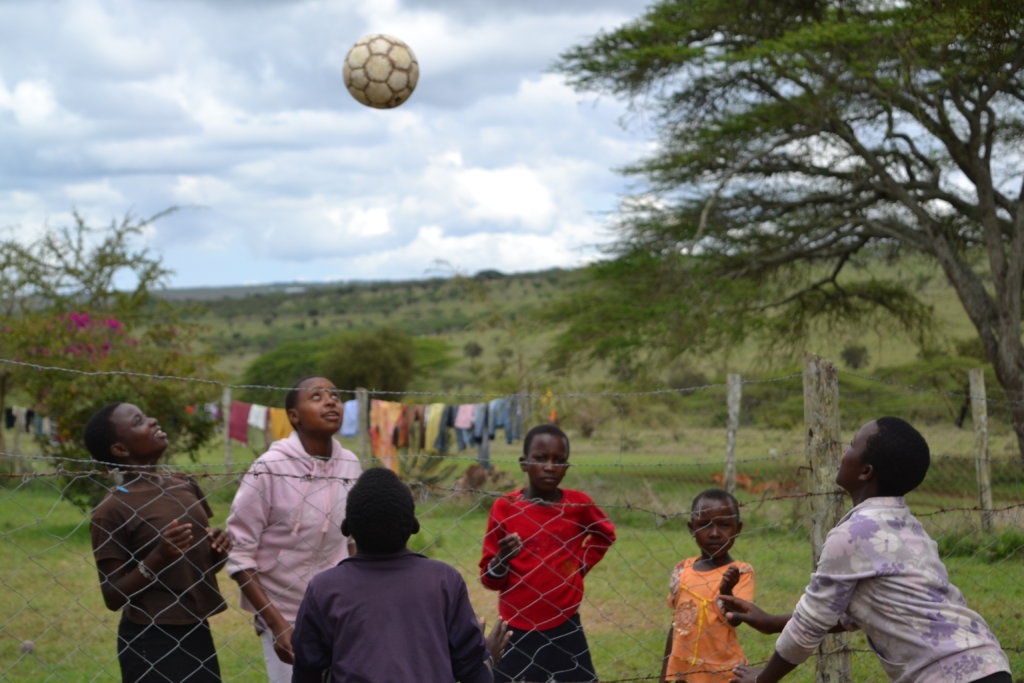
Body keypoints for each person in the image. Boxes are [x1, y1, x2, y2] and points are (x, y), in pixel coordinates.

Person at [723, 417, 1012, 683]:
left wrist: (763, 679)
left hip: (947, 674)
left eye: (851, 445)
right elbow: (859, 612)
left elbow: (809, 624)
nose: (844, 452)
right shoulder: (909, 527)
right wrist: (773, 623)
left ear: (865, 471)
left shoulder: (852, 535)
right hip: (987, 664)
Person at [291, 467, 504, 682]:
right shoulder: (444, 581)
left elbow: (307, 669)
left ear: (347, 528)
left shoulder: (324, 588)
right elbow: (470, 668)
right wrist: (487, 661)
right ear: (414, 526)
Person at [226, 376, 362, 683]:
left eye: (335, 395)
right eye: (316, 396)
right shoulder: (268, 469)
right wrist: (277, 624)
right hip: (285, 612)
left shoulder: (350, 464)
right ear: (293, 416)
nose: (330, 401)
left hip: (340, 610)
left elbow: (353, 540)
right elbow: (239, 554)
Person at [85, 402, 232, 682]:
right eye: (139, 421)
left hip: (196, 626)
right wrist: (158, 557)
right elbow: (113, 596)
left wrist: (219, 550)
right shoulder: (112, 509)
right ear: (120, 450)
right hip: (149, 637)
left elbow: (199, 567)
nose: (152, 420)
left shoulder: (184, 484)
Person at [479, 424, 617, 682]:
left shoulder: (579, 505)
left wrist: (578, 567)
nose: (550, 467)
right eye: (541, 459)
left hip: (565, 624)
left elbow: (605, 534)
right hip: (516, 627)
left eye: (559, 460)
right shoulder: (505, 508)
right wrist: (502, 559)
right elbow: (489, 579)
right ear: (524, 463)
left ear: (566, 466)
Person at [662, 489, 754, 682]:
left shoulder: (741, 572)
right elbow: (677, 625)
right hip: (683, 672)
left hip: (723, 672)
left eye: (724, 525)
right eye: (704, 525)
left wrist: (727, 590)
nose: (714, 534)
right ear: (691, 528)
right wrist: (665, 674)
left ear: (738, 528)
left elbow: (735, 619)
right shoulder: (682, 570)